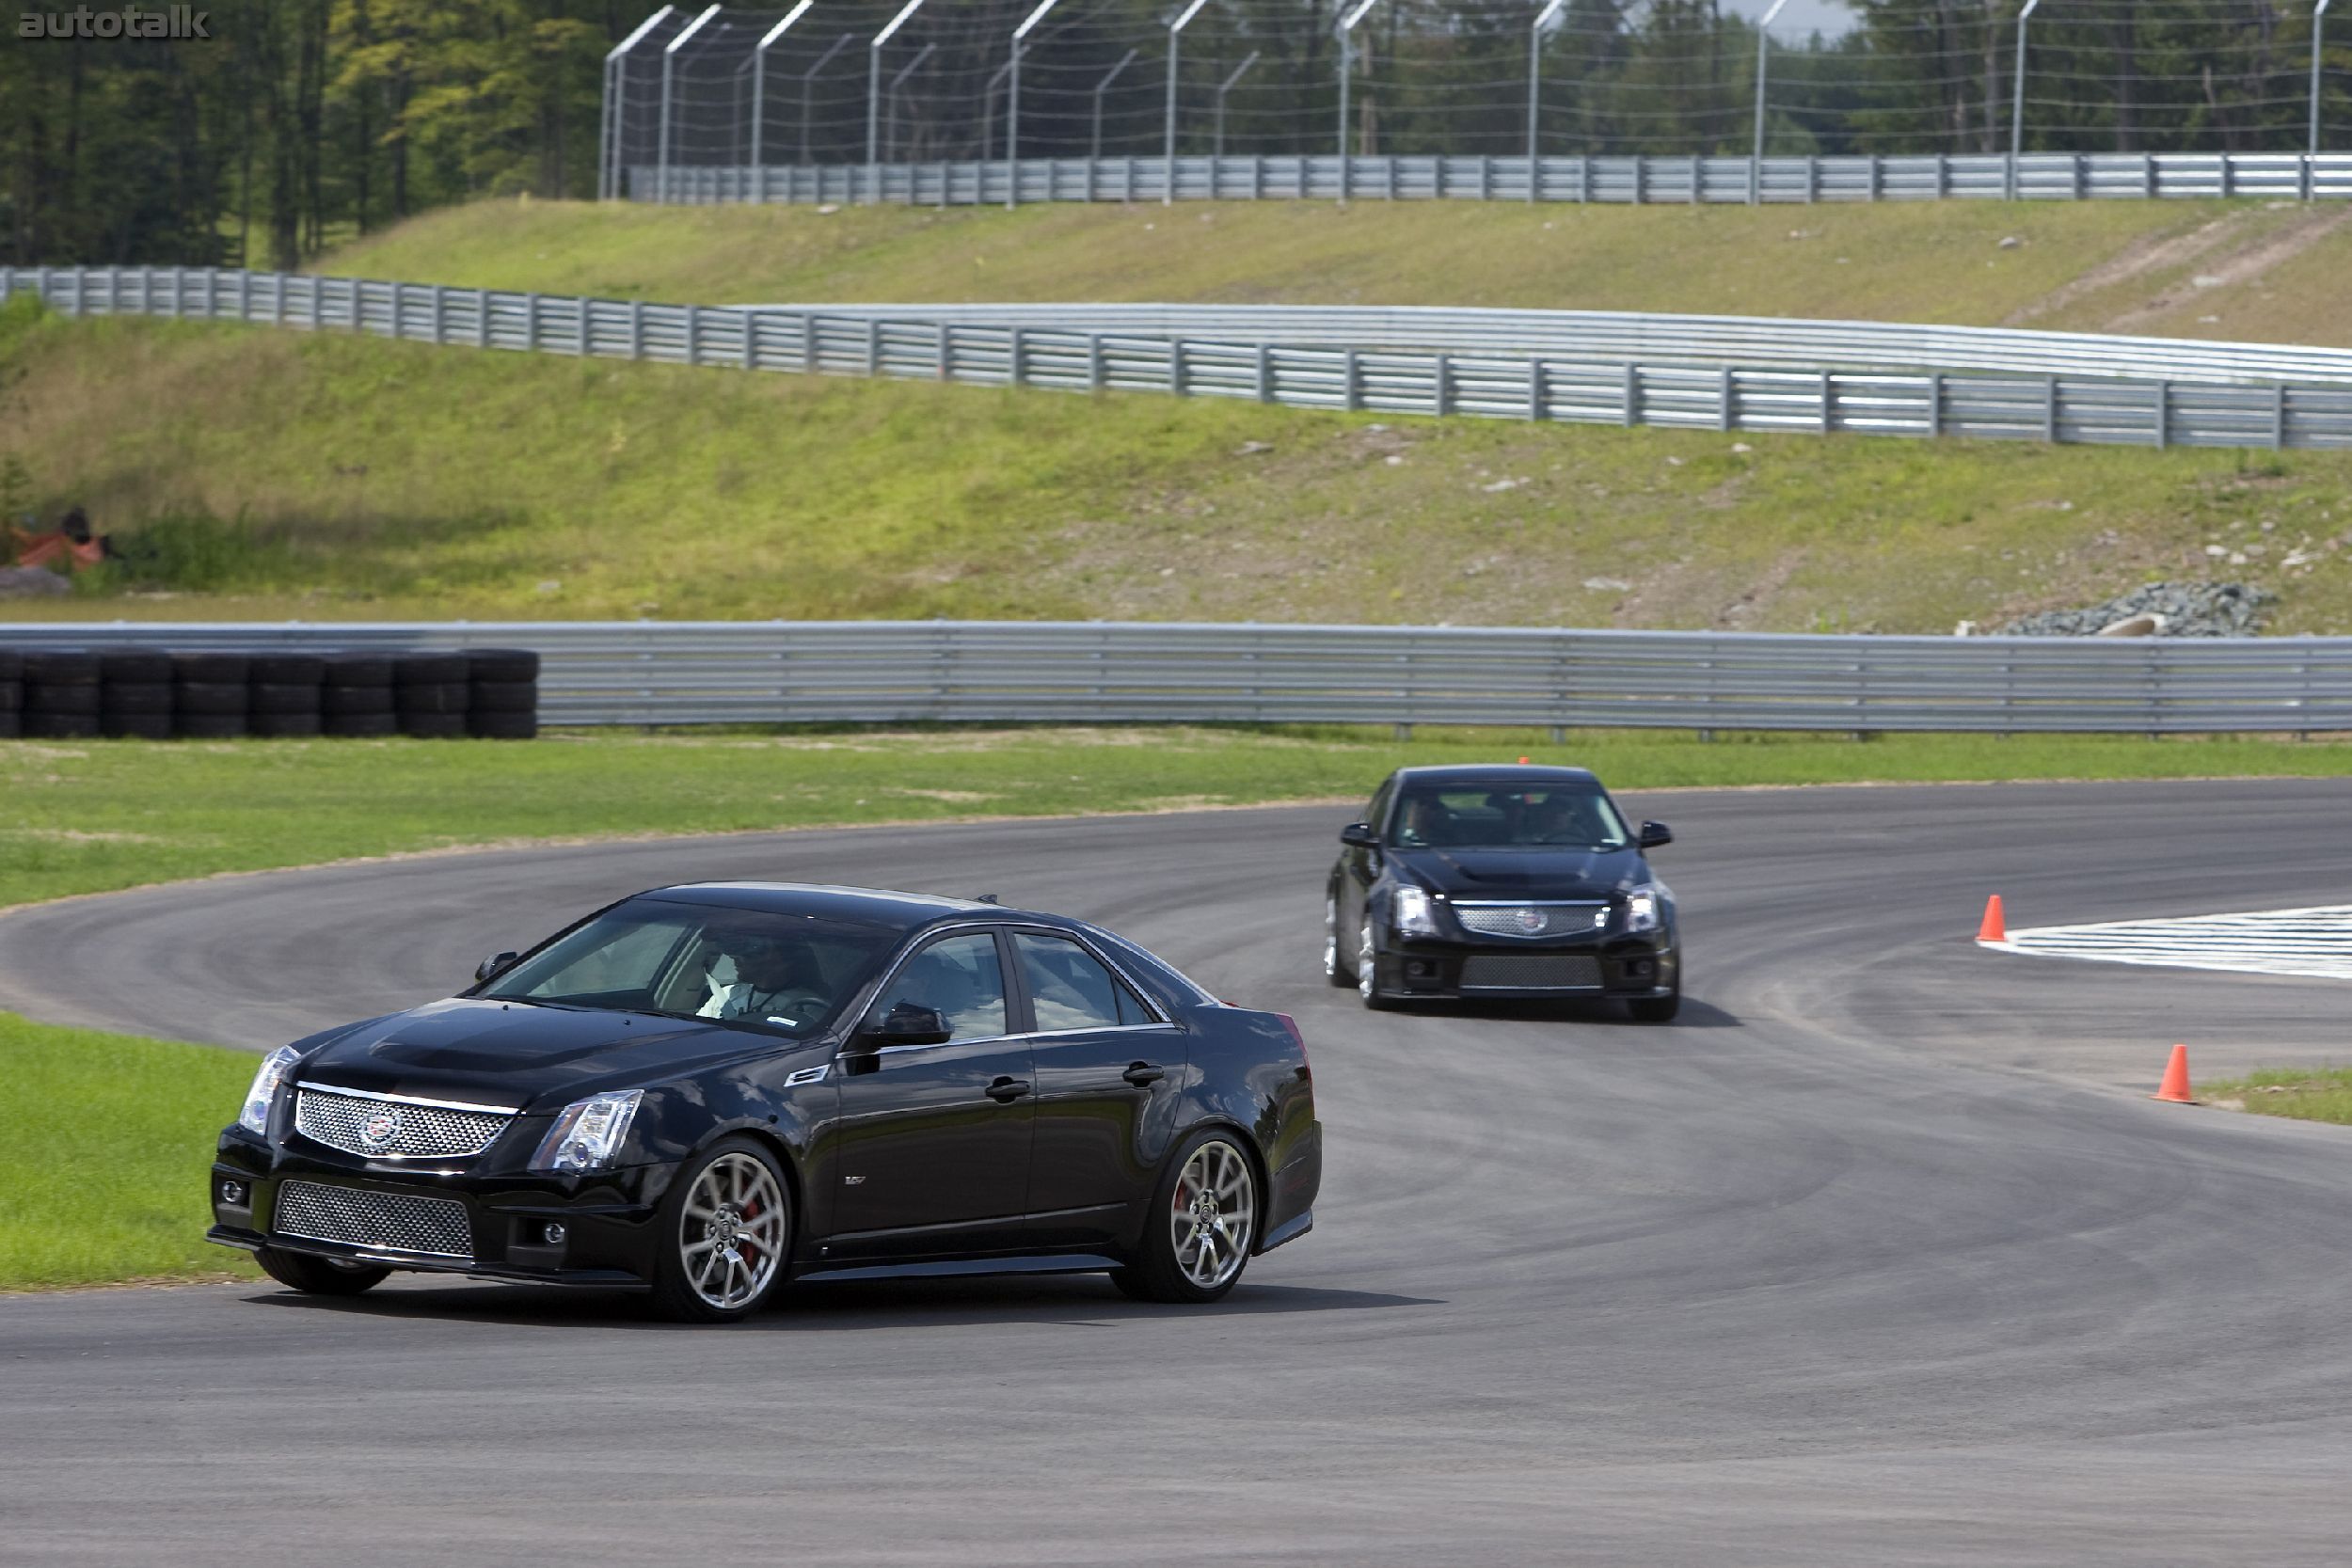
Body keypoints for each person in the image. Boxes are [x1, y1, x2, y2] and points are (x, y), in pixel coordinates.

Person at [697, 933, 827, 1025]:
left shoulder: (808, 1006)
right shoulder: (725, 996)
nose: (736, 959)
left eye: (752, 955)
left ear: (784, 961)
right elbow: (699, 1030)